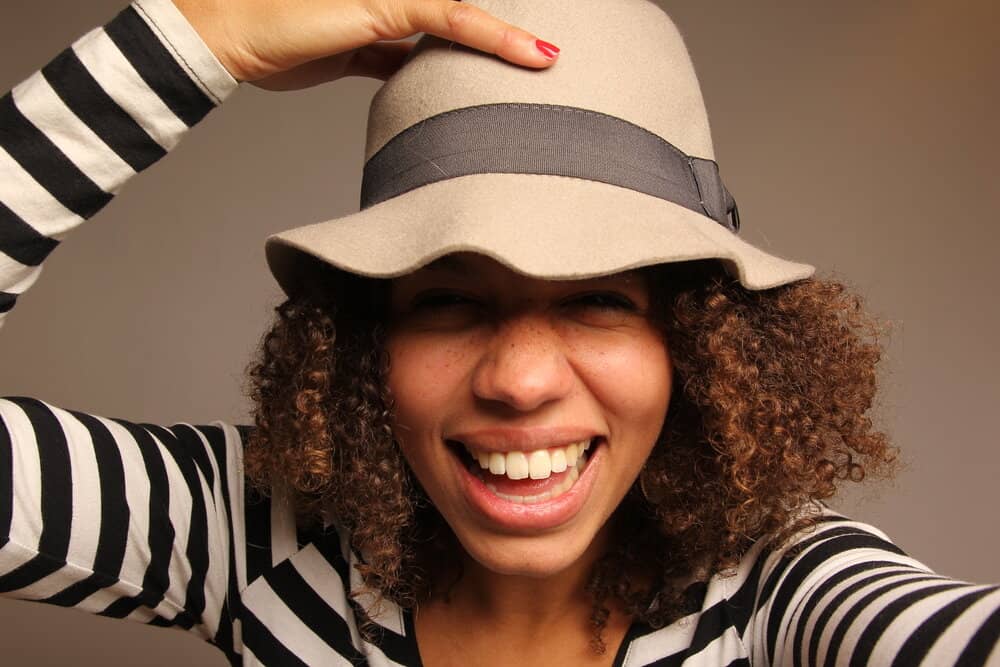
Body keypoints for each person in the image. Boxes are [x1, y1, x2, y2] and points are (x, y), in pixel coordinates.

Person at [0, 0, 997, 666]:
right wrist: (196, 41)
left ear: (696, 347)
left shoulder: (784, 592)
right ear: (364, 342)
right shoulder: (256, 536)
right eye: (447, 300)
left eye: (598, 298)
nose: (519, 381)